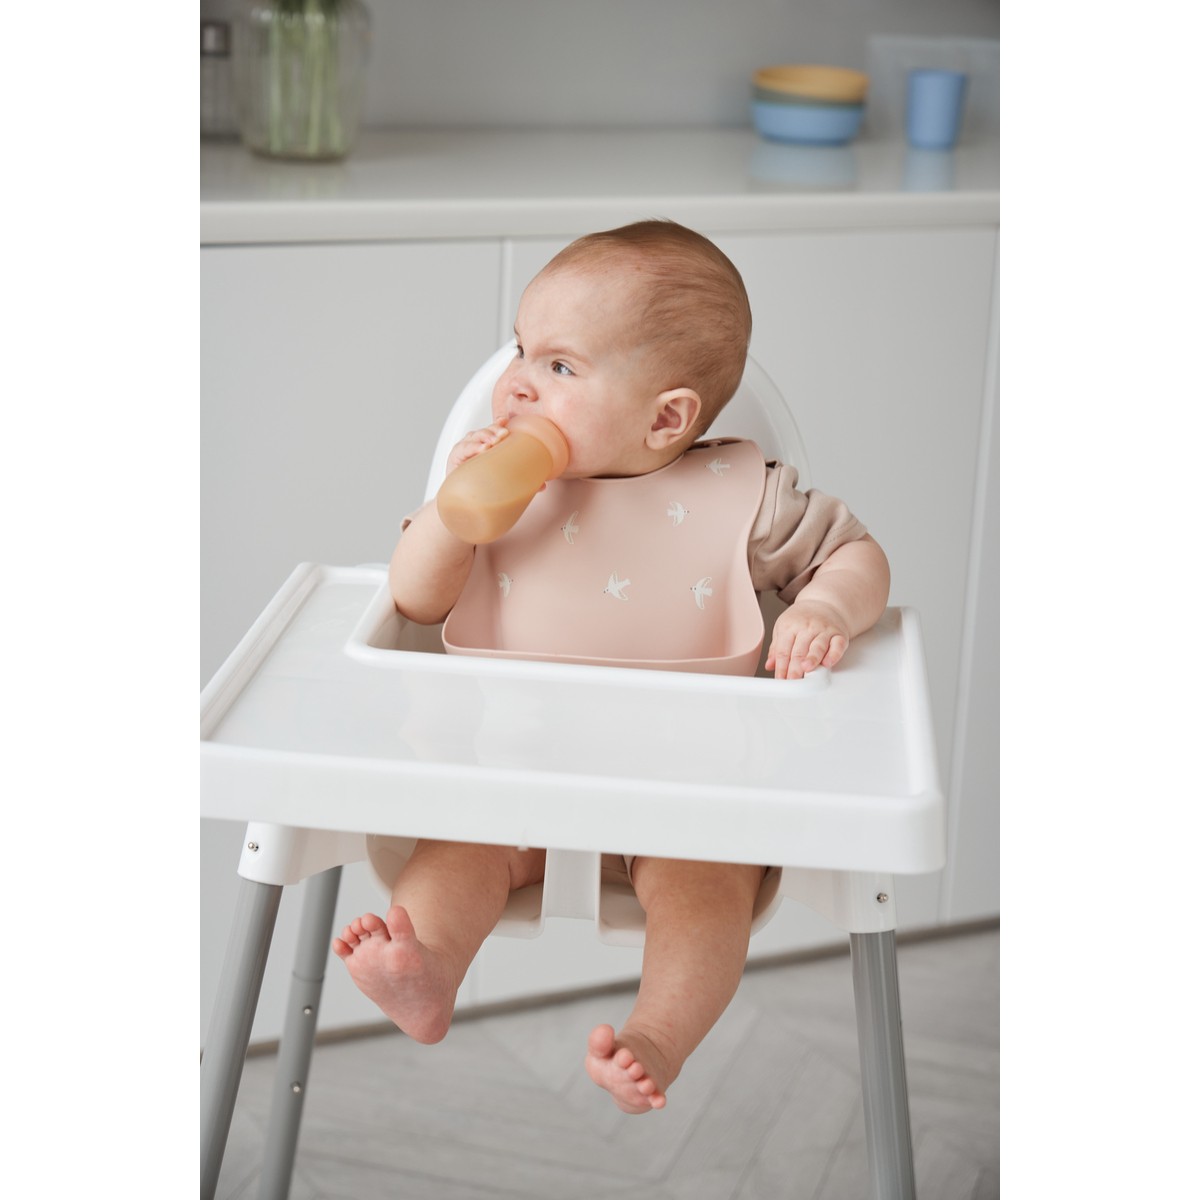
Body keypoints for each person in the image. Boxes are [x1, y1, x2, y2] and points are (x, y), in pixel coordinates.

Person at [333, 220, 890, 1115]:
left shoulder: (748, 498)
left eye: (559, 366)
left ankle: (657, 1036)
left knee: (709, 899)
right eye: (521, 349)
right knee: (452, 857)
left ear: (666, 418)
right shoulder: (496, 489)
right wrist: (450, 515)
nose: (518, 382)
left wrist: (824, 609)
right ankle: (427, 966)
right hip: (509, 772)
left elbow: (856, 557)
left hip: (687, 794)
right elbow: (415, 601)